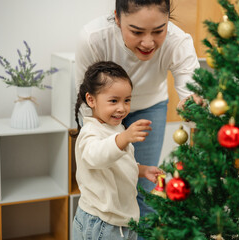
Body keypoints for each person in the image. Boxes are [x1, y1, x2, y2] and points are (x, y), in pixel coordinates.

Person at [75, 0, 203, 231]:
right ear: (117, 18)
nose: (148, 42)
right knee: (105, 189)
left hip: (150, 105)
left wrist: (193, 105)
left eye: (158, 31)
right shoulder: (94, 38)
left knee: (144, 191)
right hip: (102, 113)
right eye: (136, 31)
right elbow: (86, 98)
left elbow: (193, 97)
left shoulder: (178, 41)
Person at [72, 61, 163, 240]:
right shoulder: (90, 133)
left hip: (122, 221)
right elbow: (97, 156)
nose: (122, 108)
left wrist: (143, 170)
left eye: (127, 100)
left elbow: (120, 164)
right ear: (91, 100)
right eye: (114, 101)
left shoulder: (116, 129)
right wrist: (124, 138)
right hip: (102, 223)